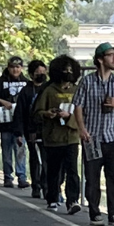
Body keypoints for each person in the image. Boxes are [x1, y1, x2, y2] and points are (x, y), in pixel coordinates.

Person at [74, 42, 114, 226]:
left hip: (113, 137)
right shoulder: (87, 81)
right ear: (100, 59)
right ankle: (95, 212)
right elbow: (78, 106)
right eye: (110, 55)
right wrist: (82, 129)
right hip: (92, 137)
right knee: (92, 176)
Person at [34, 54, 83, 214]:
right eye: (64, 70)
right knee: (54, 171)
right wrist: (48, 114)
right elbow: (37, 112)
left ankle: (72, 200)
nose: (67, 72)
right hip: (53, 138)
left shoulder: (77, 91)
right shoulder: (49, 90)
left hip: (71, 137)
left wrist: (69, 117)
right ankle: (52, 198)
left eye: (70, 70)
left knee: (72, 170)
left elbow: (83, 113)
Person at [0, 56, 29, 188]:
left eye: (17, 67)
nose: (15, 70)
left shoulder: (26, 82)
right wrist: (2, 101)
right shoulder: (0, 82)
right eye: (12, 67)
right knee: (6, 152)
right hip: (5, 123)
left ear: (21, 68)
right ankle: (7, 177)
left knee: (21, 151)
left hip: (21, 125)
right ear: (8, 67)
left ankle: (22, 177)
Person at [16, 59, 48, 198]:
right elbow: (20, 113)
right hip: (31, 130)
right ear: (31, 74)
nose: (40, 75)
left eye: (42, 72)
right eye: (37, 73)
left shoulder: (48, 88)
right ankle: (36, 185)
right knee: (35, 158)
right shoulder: (26, 91)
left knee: (47, 159)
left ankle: (46, 185)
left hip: (47, 130)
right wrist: (19, 132)